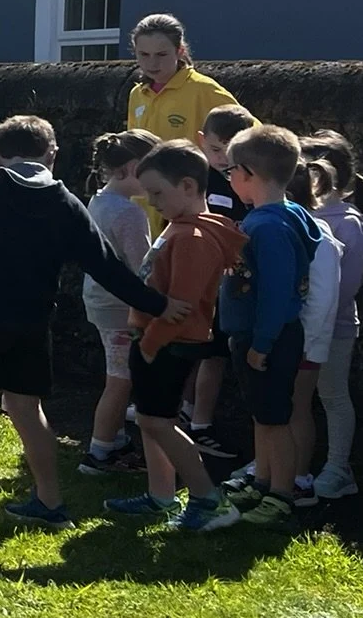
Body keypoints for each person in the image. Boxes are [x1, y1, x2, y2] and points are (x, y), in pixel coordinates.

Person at [0, 114, 174, 527]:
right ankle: (50, 503)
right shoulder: (64, 201)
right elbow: (107, 265)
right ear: (52, 153)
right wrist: (158, 304)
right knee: (26, 409)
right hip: (34, 321)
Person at [104, 140, 246, 530]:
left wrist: (149, 344)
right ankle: (160, 495)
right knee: (153, 420)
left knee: (157, 422)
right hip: (156, 341)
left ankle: (208, 498)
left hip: (168, 345)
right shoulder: (182, 228)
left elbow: (180, 308)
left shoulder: (192, 239)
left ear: (187, 186)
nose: (151, 202)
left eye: (157, 193)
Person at [217, 125, 320, 528]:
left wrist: (261, 343)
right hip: (257, 334)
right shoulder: (281, 215)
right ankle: (261, 481)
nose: (228, 179)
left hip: (266, 337)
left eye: (229, 171)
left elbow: (276, 293)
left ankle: (280, 493)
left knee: (275, 418)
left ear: (246, 173)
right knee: (262, 413)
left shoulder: (269, 227)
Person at [76, 129, 159, 478]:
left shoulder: (98, 200)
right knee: (120, 380)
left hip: (100, 301)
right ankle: (100, 451)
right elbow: (142, 263)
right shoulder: (129, 213)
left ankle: (116, 441)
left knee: (117, 375)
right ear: (132, 167)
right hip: (119, 307)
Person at [303, 131, 363, 499]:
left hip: (336, 328)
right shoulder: (302, 213)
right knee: (294, 398)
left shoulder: (349, 223)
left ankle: (338, 468)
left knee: (332, 395)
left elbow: (345, 289)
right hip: (299, 326)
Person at [185, 104, 259, 457]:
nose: (221, 159)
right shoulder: (196, 176)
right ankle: (196, 422)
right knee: (200, 351)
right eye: (215, 150)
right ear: (202, 142)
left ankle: (196, 419)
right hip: (201, 278)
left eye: (230, 153)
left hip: (229, 279)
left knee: (213, 355)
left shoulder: (247, 177)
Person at [126, 12, 237, 228]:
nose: (152, 63)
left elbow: (249, 136)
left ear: (180, 51)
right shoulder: (138, 94)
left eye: (161, 54)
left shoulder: (203, 90)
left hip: (186, 204)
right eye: (143, 54)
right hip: (146, 202)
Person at [282, 161, 344, 509]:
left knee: (297, 409)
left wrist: (305, 343)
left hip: (305, 341)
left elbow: (322, 298)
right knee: (280, 408)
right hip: (290, 338)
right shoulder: (289, 226)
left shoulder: (317, 235)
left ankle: (300, 479)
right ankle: (278, 470)